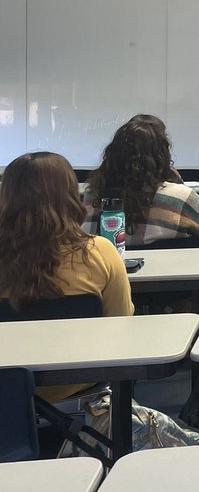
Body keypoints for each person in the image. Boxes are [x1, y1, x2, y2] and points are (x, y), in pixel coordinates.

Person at [0, 151, 133, 402]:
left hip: (6, 384)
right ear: (72, 196)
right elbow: (121, 324)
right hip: (78, 378)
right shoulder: (101, 252)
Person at [83, 114, 199, 248]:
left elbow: (85, 238)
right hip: (174, 268)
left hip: (112, 268)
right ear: (162, 155)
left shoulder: (94, 195)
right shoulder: (179, 197)